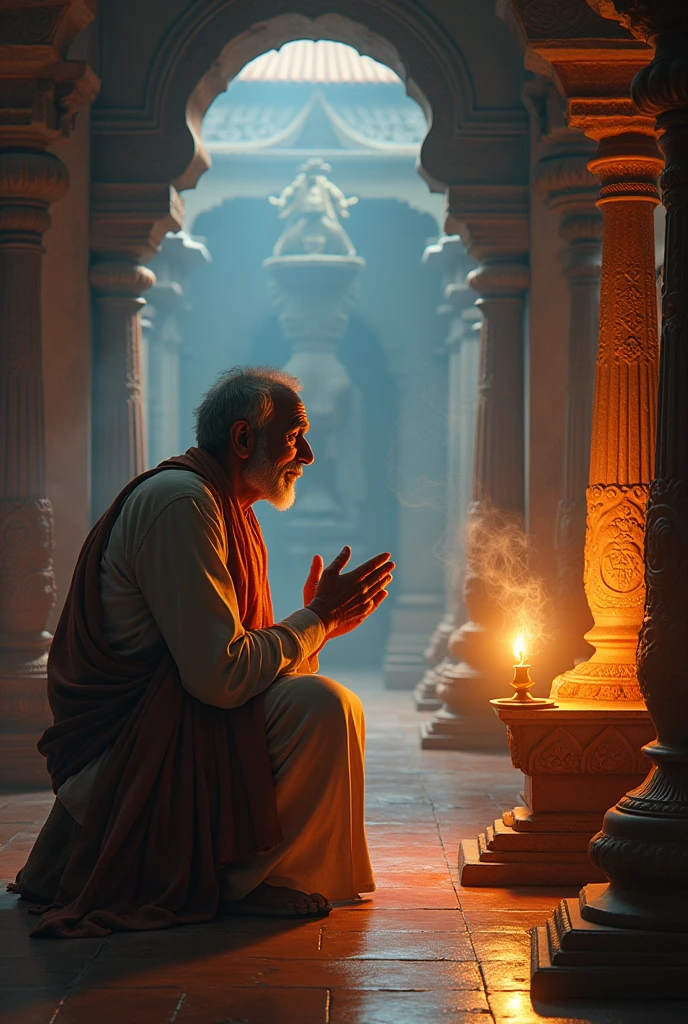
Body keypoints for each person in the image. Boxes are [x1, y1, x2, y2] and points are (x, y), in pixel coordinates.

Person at [13, 366, 394, 937]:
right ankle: (245, 883)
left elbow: (236, 669)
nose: (309, 455)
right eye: (295, 436)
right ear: (243, 440)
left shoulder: (225, 507)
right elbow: (220, 676)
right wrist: (314, 620)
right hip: (128, 755)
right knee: (322, 707)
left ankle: (260, 871)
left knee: (321, 701)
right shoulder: (183, 503)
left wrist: (322, 628)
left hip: (174, 730)